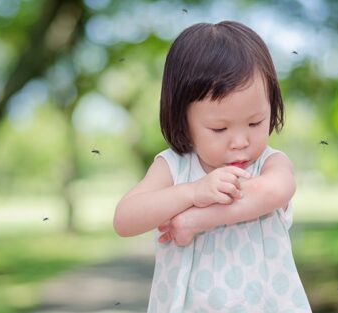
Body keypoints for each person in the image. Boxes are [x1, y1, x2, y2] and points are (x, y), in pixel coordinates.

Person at [113, 21, 312, 312]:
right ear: (183, 120)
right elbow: (124, 219)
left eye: (255, 122)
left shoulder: (269, 163)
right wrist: (192, 193)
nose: (241, 141)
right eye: (219, 128)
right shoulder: (174, 168)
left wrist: (197, 220)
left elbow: (276, 192)